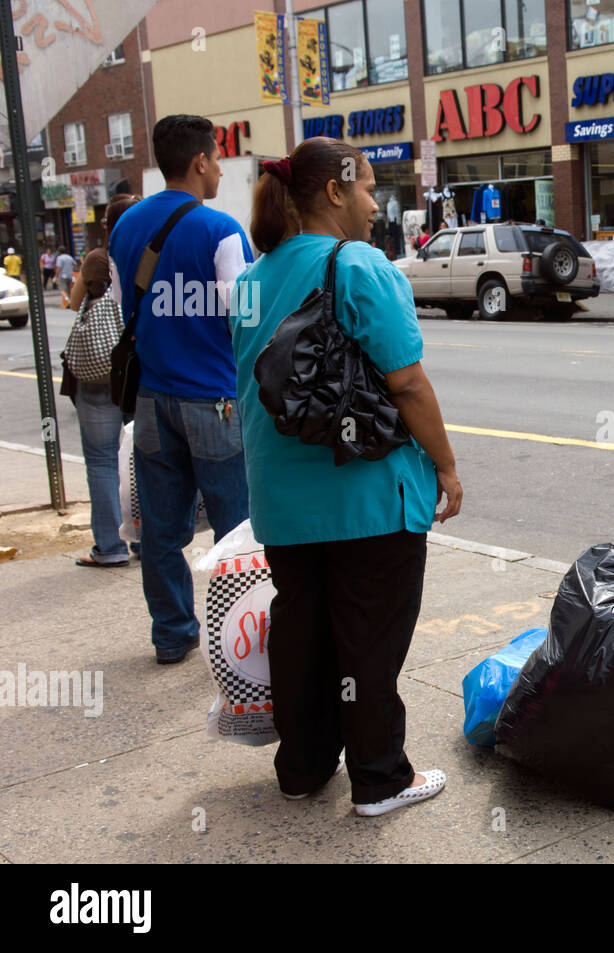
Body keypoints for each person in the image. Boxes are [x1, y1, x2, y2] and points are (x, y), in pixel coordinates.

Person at [231, 137, 463, 816]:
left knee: (302, 636)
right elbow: (408, 383)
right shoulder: (359, 265)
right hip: (366, 499)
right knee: (369, 638)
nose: (374, 204)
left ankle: (302, 768)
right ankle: (381, 778)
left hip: (282, 505)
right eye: (366, 188)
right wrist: (446, 466)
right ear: (334, 191)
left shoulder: (250, 280)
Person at [108, 115, 254, 665]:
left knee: (161, 532)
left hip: (151, 402)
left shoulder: (124, 227)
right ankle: (238, 640)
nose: (219, 169)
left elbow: (127, 308)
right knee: (236, 530)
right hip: (214, 400)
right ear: (199, 162)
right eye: (216, 158)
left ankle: (172, 633)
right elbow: (247, 319)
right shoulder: (220, 230)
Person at [65, 195, 140, 568]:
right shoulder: (149, 254)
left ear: (108, 225)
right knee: (141, 459)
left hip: (97, 374)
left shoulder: (97, 258)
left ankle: (110, 547)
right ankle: (144, 539)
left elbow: (74, 302)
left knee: (101, 461)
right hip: (136, 371)